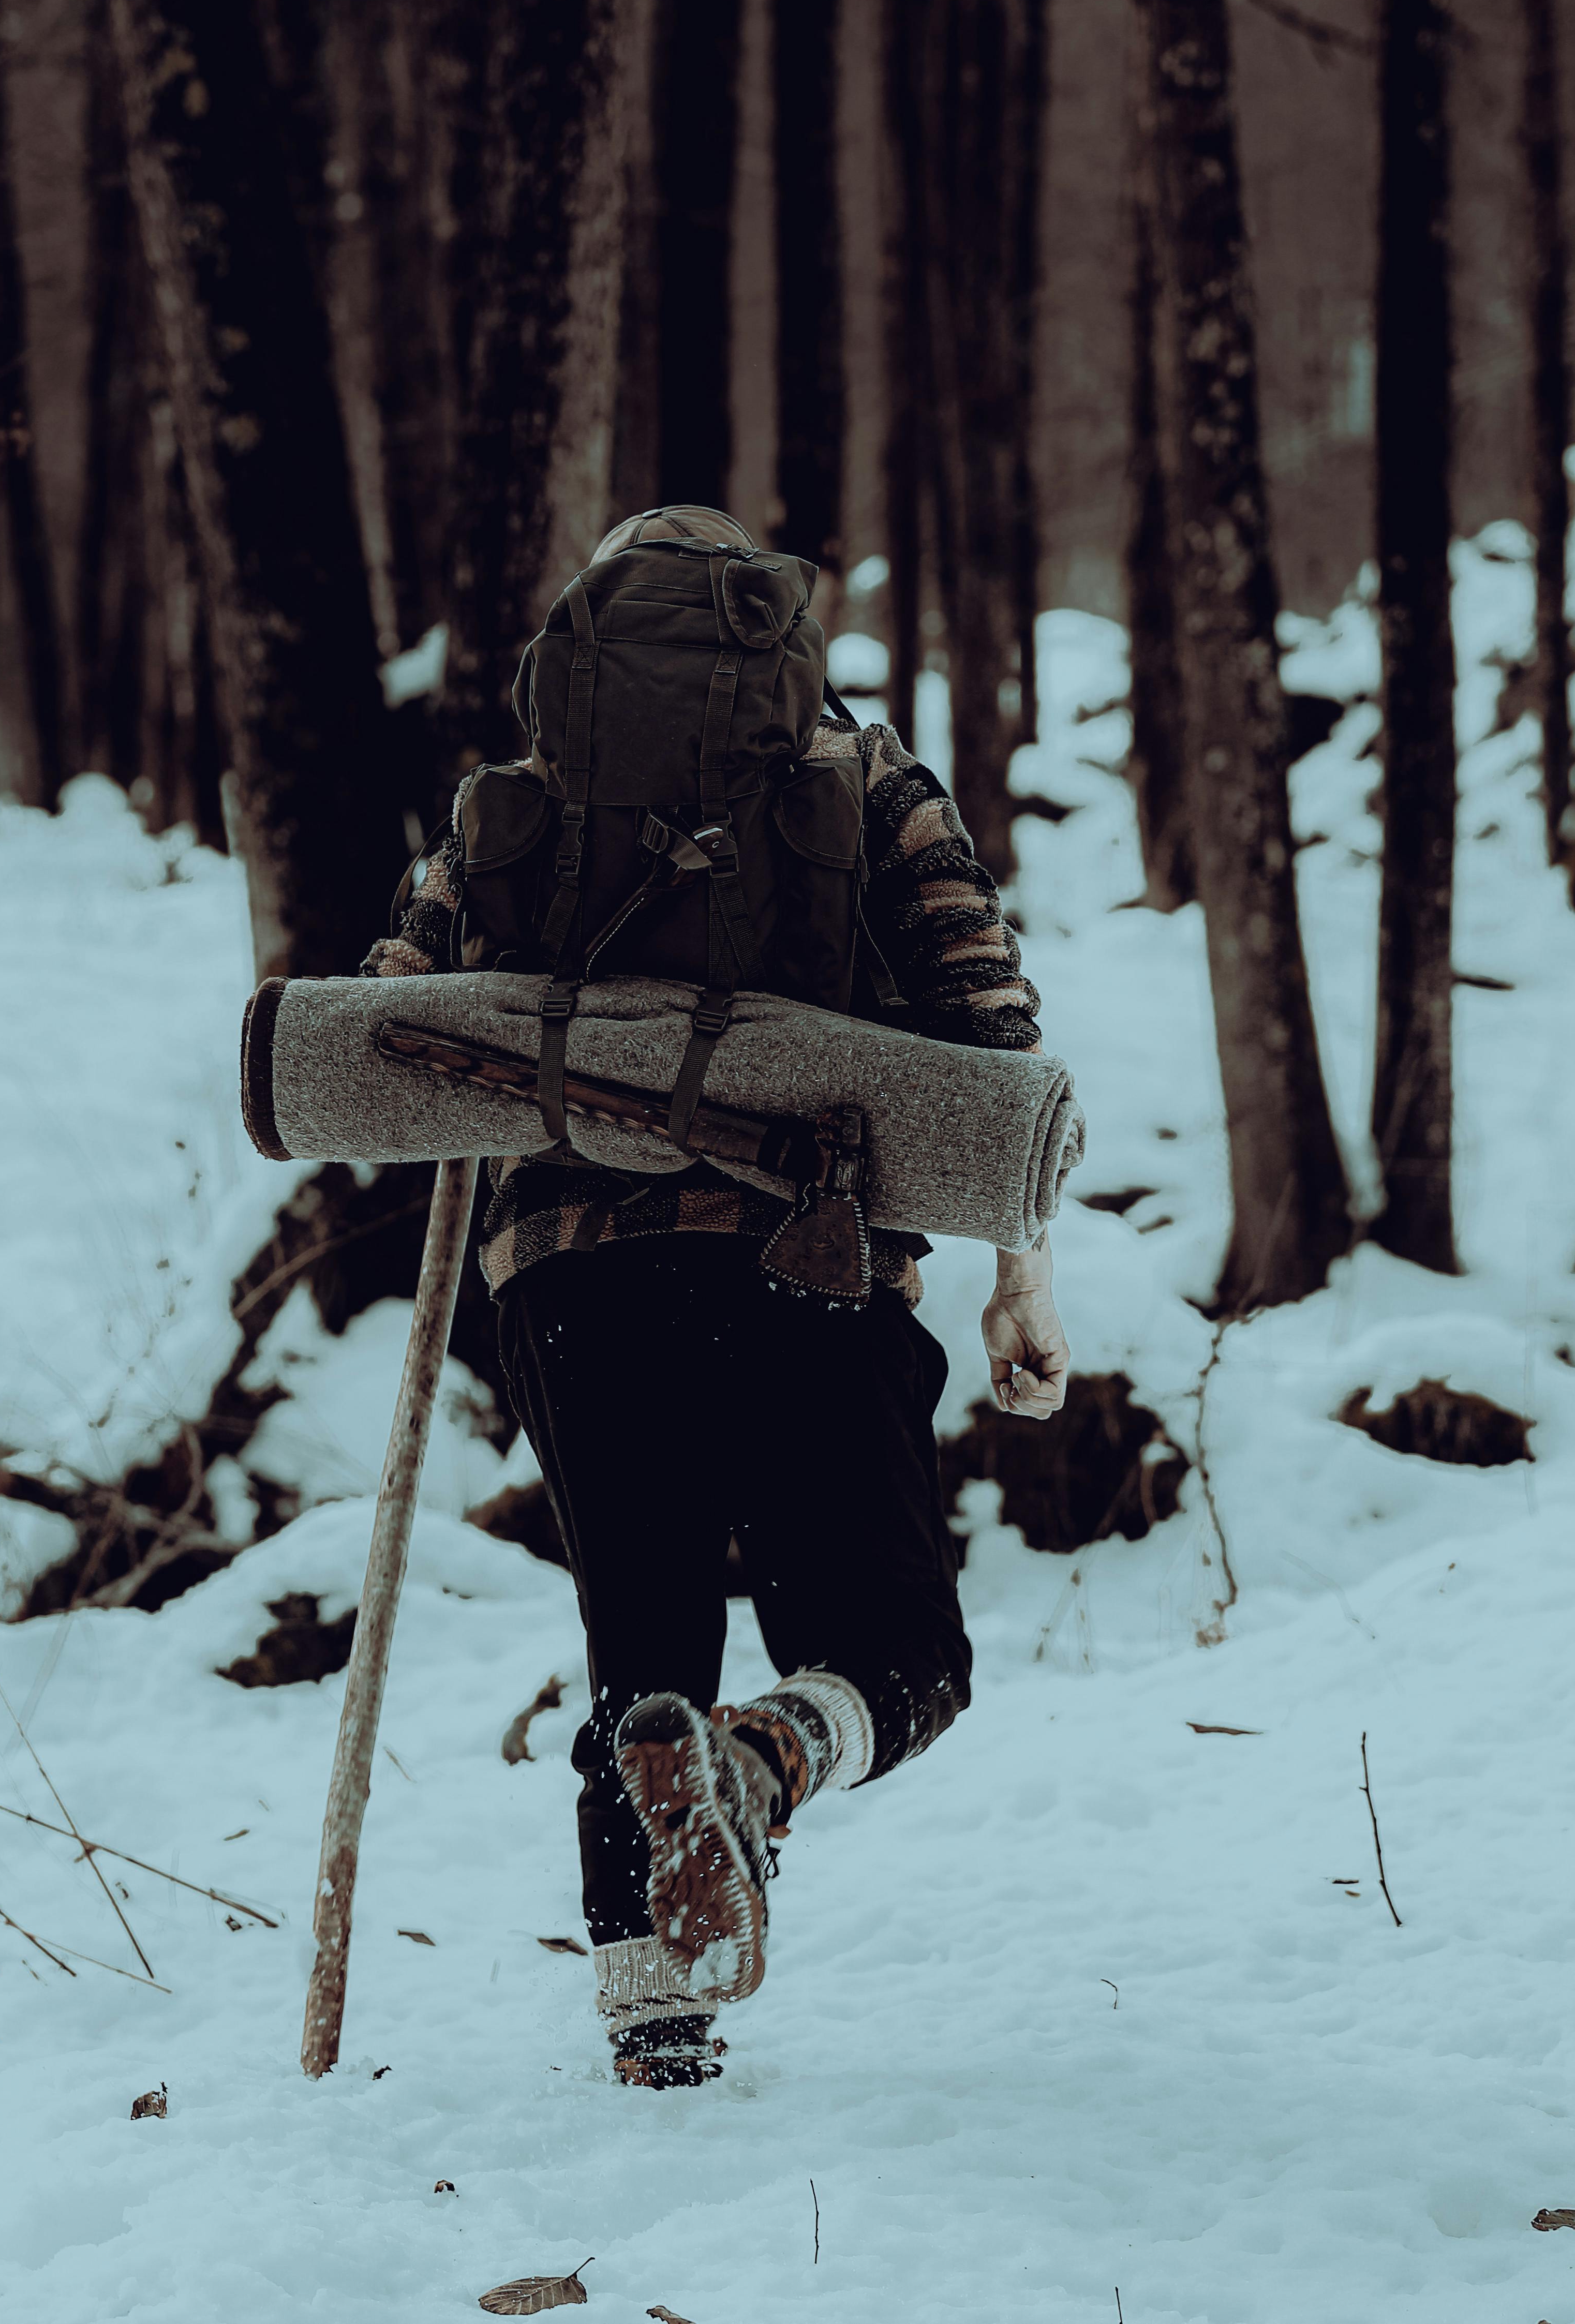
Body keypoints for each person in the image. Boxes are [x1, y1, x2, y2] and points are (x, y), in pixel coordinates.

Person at [360, 504, 1071, 2086]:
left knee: (642, 1648)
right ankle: (763, 1754)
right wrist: (1022, 1272)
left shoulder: (516, 804)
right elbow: (989, 1028)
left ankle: (653, 2021)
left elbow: (391, 1015)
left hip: (566, 1282)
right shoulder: (862, 775)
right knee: (900, 1653)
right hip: (808, 1265)